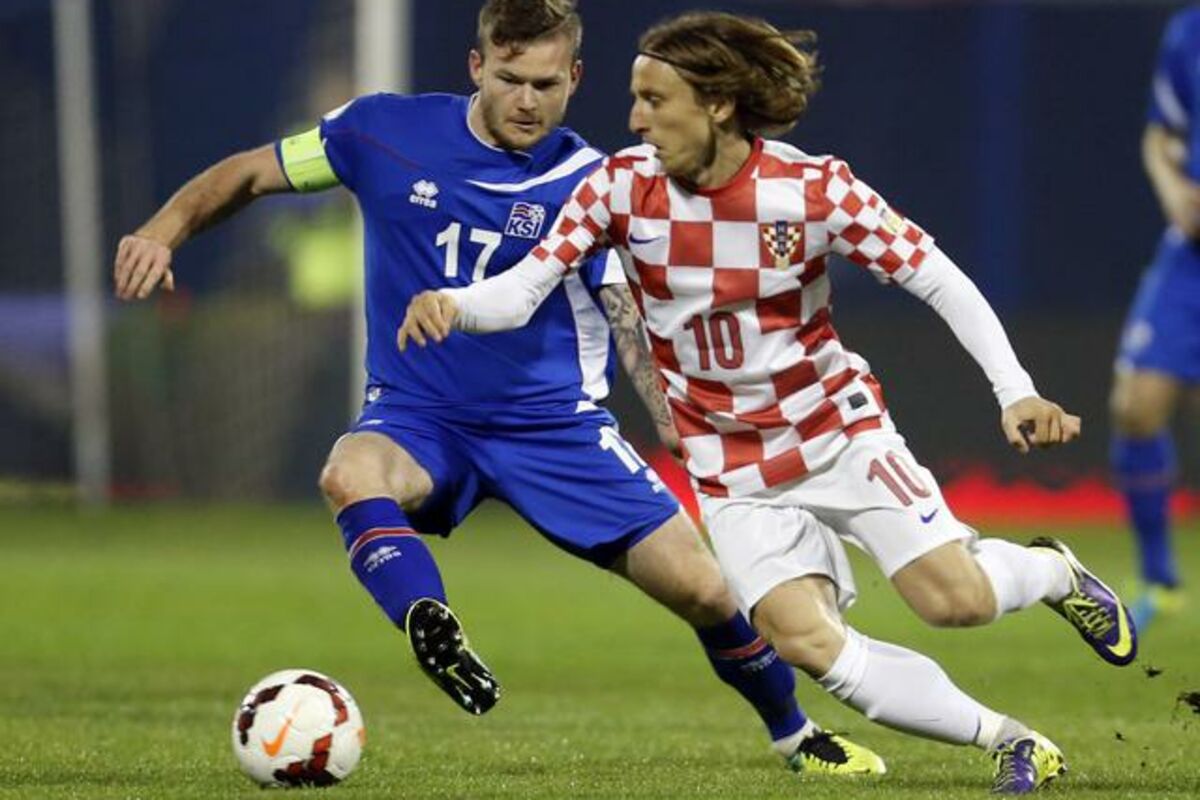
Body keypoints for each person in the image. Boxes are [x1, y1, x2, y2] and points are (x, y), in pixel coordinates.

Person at [111, 0, 884, 778]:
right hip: (420, 416)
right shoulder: (381, 132)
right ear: (477, 67)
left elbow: (626, 311)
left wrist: (671, 417)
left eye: (546, 84)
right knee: (349, 473)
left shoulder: (596, 183)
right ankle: (427, 618)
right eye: (510, 79)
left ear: (575, 78)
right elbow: (251, 172)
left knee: (707, 591)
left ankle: (796, 734)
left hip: (554, 430)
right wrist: (160, 232)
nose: (526, 101)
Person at [399, 11, 1140, 794]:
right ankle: (1012, 741)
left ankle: (1052, 574)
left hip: (835, 434)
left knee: (954, 602)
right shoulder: (618, 188)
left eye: (654, 99)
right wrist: (456, 304)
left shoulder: (813, 191)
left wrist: (1015, 391)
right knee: (804, 641)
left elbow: (937, 277)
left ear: (717, 105)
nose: (635, 119)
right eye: (635, 98)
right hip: (730, 468)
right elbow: (523, 288)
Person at [1109, 6, 1200, 631]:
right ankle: (1160, 577)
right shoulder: (1189, 31)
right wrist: (1174, 195)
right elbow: (1161, 136)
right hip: (1189, 255)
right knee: (1136, 406)